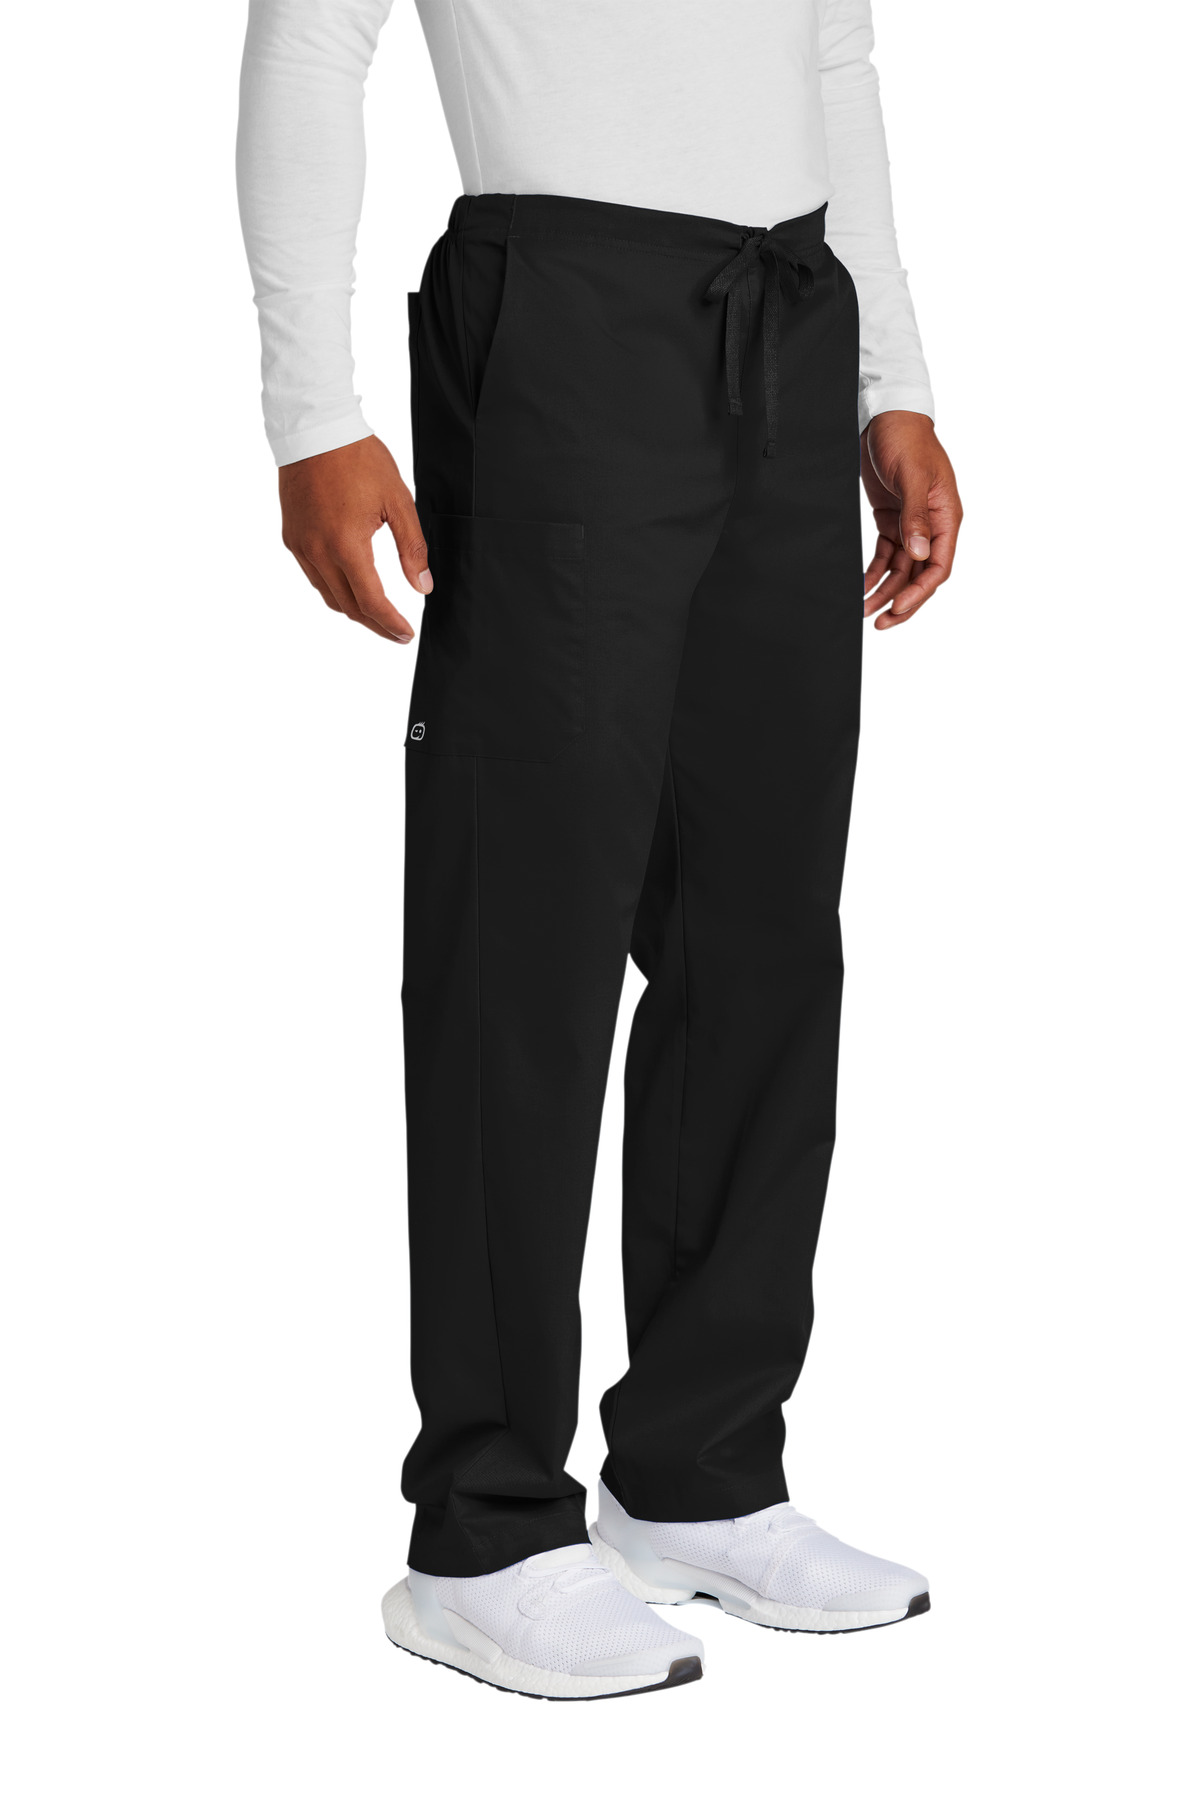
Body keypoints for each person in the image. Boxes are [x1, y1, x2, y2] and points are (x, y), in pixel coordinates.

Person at [237, 0, 962, 1700]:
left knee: (757, 932)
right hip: (562, 317)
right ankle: (482, 1532)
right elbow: (311, 36)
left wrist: (894, 382)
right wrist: (311, 412)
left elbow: (831, 58)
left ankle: (699, 1471)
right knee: (527, 935)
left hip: (790, 310)